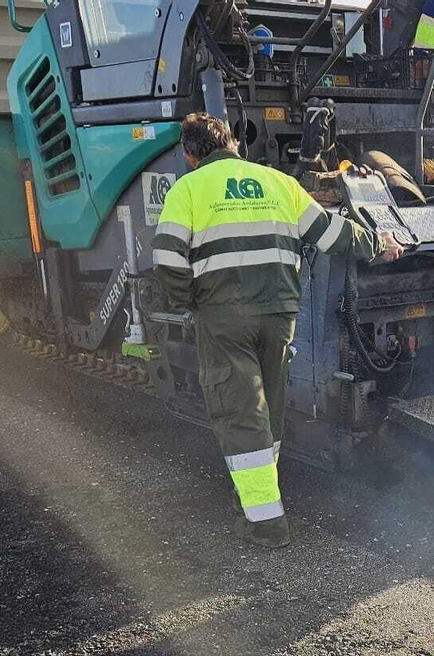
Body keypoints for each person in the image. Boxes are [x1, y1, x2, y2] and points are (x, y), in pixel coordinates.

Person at [152, 113, 403, 548]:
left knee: (240, 412)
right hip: (278, 315)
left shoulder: (187, 189)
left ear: (191, 154)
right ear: (233, 143)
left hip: (224, 317)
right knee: (266, 408)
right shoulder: (277, 182)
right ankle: (250, 497)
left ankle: (266, 523)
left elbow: (168, 260)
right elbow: (329, 232)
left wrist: (192, 302)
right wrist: (381, 243)